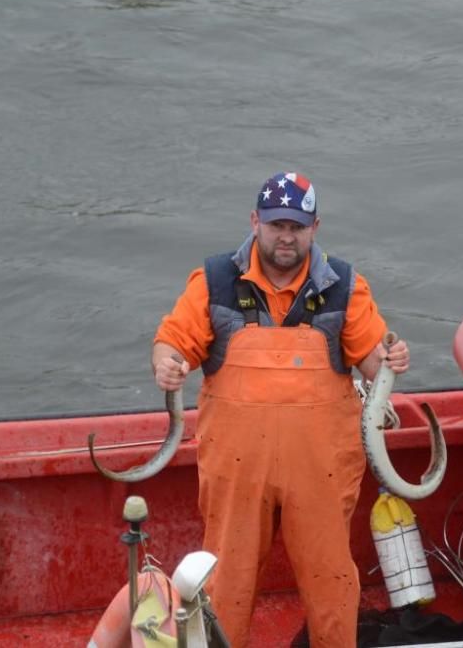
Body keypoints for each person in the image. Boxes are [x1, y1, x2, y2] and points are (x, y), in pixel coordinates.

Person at [152, 171, 409, 648]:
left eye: (296, 226)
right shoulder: (213, 282)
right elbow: (173, 343)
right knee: (225, 584)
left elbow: (374, 362)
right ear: (255, 221)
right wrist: (168, 366)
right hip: (236, 471)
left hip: (321, 471)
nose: (285, 236)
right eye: (276, 225)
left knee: (331, 584)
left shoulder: (346, 286)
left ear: (315, 227)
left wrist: (389, 360)